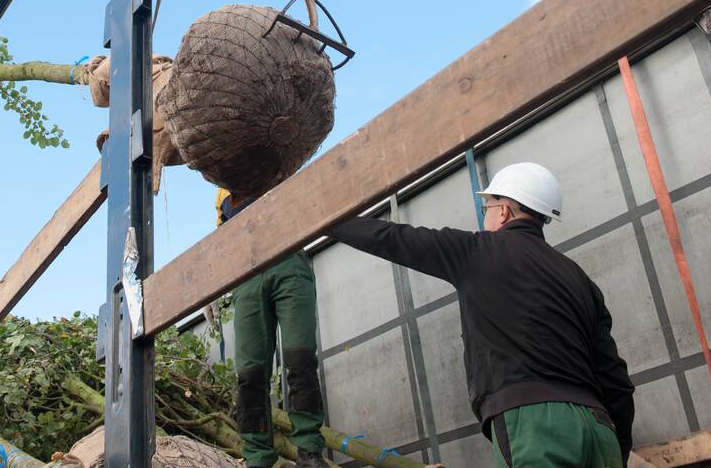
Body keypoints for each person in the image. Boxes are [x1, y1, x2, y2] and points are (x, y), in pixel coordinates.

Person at [332, 162, 634, 467]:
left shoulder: (475, 251)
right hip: (599, 427)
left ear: (504, 211)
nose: (485, 215)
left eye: (487, 206)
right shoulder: (579, 278)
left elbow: (391, 238)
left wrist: (322, 222)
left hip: (535, 424)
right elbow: (615, 380)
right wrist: (615, 448)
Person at [217, 188, 329, 468]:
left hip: (288, 259)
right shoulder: (221, 190)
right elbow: (221, 238)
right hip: (247, 273)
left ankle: (309, 452)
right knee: (250, 375)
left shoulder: (276, 159)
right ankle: (257, 459)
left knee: (300, 359)